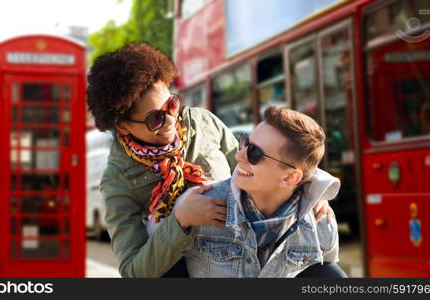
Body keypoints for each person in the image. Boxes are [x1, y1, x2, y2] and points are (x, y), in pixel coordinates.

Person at [86, 42, 333, 278]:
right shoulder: (118, 180)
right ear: (122, 125)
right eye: (155, 119)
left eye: (172, 105)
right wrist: (181, 221)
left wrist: (309, 192)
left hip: (251, 252)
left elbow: (257, 167)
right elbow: (133, 272)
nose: (171, 121)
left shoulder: (203, 123)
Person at [150, 106, 346, 277]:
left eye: (254, 153)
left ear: (290, 178)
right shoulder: (197, 206)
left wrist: (315, 195)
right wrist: (179, 221)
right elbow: (150, 265)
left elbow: (325, 274)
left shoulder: (321, 222)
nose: (239, 155)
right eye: (244, 143)